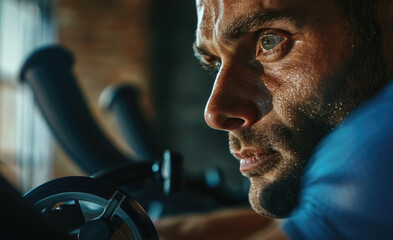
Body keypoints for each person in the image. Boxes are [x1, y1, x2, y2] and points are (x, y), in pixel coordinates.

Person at [155, 0, 393, 239]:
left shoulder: (376, 147)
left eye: (269, 41)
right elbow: (313, 216)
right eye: (214, 63)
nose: (214, 113)